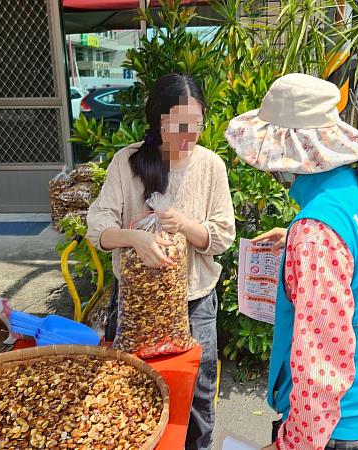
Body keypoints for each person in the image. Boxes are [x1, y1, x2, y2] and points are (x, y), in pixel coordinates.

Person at [225, 73, 358, 450]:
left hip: (336, 423)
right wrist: (294, 238)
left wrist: (292, 444)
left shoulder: (316, 234)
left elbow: (321, 361)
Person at [86, 73, 236, 450]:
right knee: (133, 390)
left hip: (194, 302)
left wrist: (186, 226)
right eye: (179, 126)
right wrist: (133, 238)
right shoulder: (128, 162)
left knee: (198, 395)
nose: (189, 136)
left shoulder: (210, 166)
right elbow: (99, 226)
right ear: (159, 121)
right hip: (136, 304)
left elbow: (221, 236)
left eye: (196, 125)